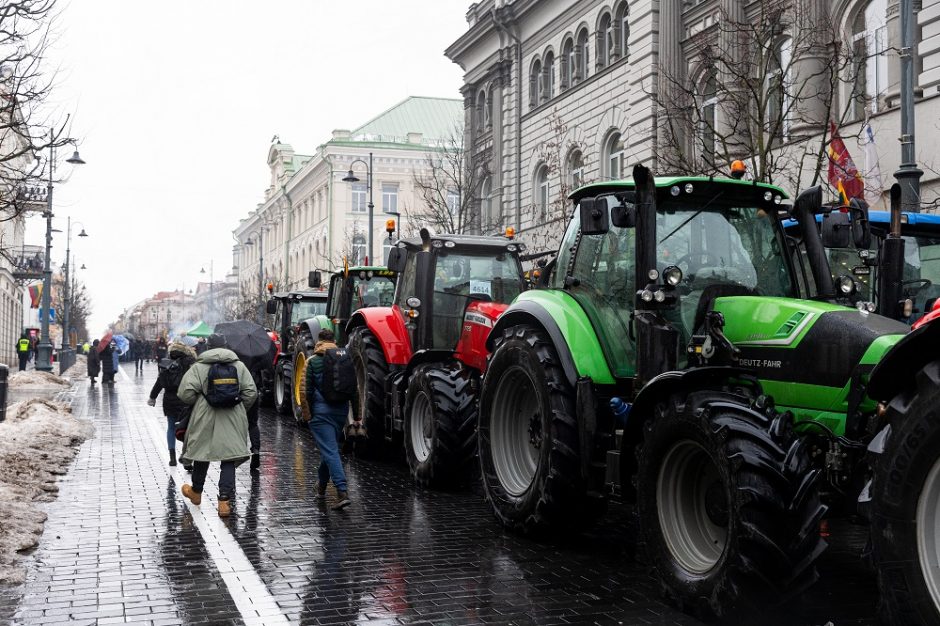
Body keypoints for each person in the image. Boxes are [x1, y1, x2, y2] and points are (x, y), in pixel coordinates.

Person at [177, 333, 257, 517]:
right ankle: (224, 503)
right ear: (226, 345)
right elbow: (251, 392)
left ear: (208, 346)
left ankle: (196, 493)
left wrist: (200, 401)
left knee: (201, 454)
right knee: (228, 458)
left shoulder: (199, 366)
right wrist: (238, 407)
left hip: (204, 416)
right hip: (233, 415)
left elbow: (185, 394)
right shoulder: (239, 366)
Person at [304, 328, 352, 510]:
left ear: (319, 340)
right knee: (329, 448)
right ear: (334, 340)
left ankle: (342, 492)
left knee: (330, 451)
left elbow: (306, 390)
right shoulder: (345, 359)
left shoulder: (313, 361)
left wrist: (308, 413)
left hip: (321, 414)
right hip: (341, 412)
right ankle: (321, 487)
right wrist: (357, 416)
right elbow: (353, 390)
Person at [148, 342, 197, 467]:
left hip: (169, 400)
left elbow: (159, 381)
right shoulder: (189, 362)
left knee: (171, 427)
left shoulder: (166, 363)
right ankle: (186, 457)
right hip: (185, 399)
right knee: (187, 428)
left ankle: (172, 458)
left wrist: (152, 397)